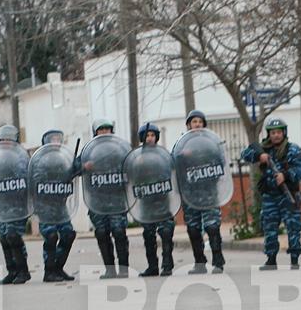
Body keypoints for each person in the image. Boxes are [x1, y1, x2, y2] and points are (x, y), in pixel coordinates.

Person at [241, 118, 301, 270]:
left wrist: (286, 175)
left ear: (284, 133)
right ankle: (271, 259)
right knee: (269, 227)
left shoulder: (292, 149)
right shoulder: (264, 149)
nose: (276, 135)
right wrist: (258, 156)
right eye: (273, 132)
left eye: (278, 132)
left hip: (288, 194)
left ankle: (294, 259)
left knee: (293, 226)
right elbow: (244, 154)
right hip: (270, 196)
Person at [175, 110, 226, 275]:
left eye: (199, 121)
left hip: (208, 191)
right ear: (188, 125)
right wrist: (182, 157)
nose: (197, 124)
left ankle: (218, 261)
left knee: (212, 226)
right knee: (193, 229)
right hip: (190, 193)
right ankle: (199, 262)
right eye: (194, 121)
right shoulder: (180, 144)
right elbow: (172, 165)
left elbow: (221, 162)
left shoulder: (211, 143)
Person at [85, 118, 131, 279]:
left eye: (107, 129)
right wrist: (84, 166)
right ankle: (110, 269)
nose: (104, 132)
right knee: (102, 233)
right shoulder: (88, 151)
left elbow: (132, 165)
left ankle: (124, 269)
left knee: (119, 232)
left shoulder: (120, 149)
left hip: (117, 200)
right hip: (98, 202)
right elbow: (74, 169)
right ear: (95, 132)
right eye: (101, 129)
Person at [35, 129, 77, 283]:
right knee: (51, 236)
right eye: (53, 139)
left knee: (68, 234)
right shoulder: (40, 160)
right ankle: (49, 271)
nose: (56, 142)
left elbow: (73, 173)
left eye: (58, 139)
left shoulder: (64, 159)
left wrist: (79, 166)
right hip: (45, 207)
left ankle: (58, 268)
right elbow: (36, 181)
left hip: (61, 207)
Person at [0, 124, 31, 285]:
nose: (5, 143)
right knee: (4, 238)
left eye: (8, 139)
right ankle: (12, 271)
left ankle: (23, 271)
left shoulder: (21, 158)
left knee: (13, 236)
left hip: (17, 205)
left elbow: (25, 179)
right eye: (2, 140)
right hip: (2, 206)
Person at [137, 123, 176, 277]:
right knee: (148, 234)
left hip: (163, 199)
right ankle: (152, 266)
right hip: (146, 201)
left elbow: (171, 170)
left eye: (153, 135)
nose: (150, 138)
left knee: (166, 232)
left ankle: (167, 265)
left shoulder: (164, 155)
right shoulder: (137, 157)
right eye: (147, 135)